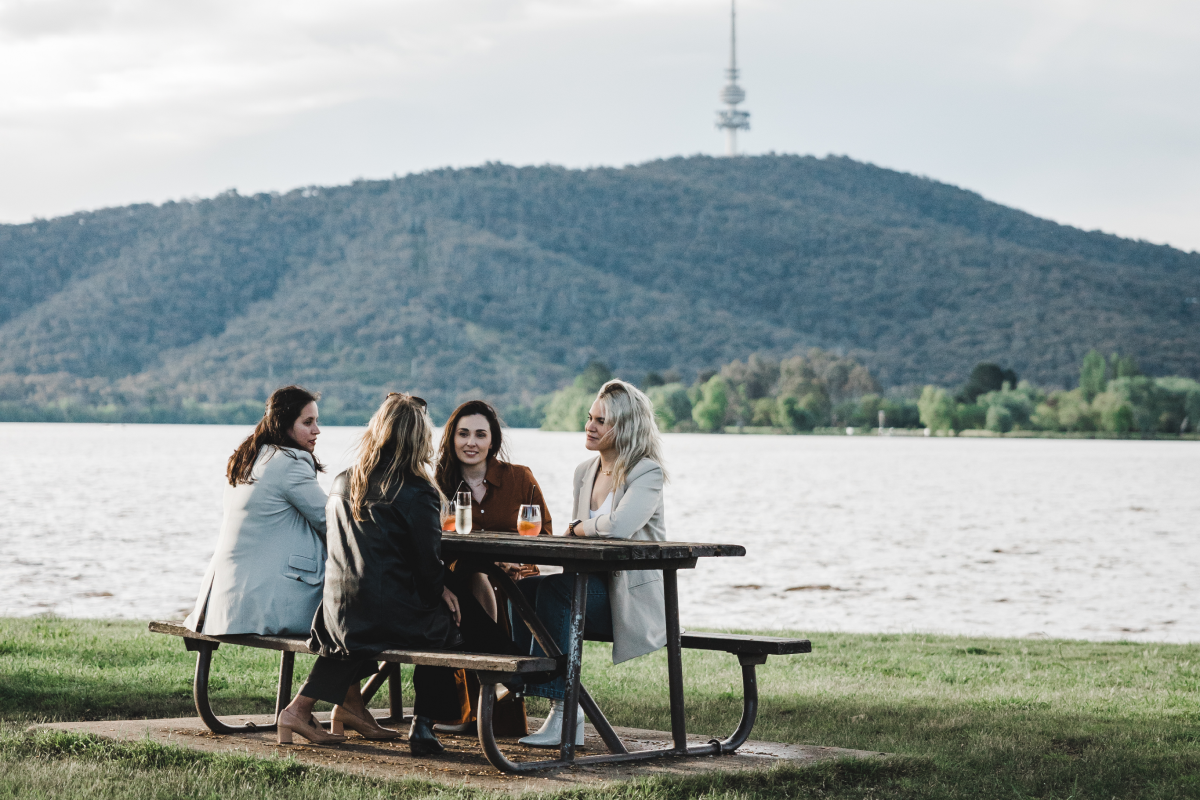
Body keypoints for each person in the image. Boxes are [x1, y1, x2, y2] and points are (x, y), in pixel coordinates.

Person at [275, 392, 517, 754]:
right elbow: (426, 562)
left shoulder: (344, 481)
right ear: (419, 437)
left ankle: (303, 710)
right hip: (387, 615)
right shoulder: (418, 490)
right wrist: (440, 588)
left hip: (337, 611)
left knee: (446, 608)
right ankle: (428, 722)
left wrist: (439, 587)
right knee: (450, 622)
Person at [515, 379, 669, 747]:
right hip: (587, 586)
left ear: (626, 427)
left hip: (626, 601)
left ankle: (564, 711)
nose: (591, 426)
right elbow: (579, 542)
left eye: (602, 421)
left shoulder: (646, 473)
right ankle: (516, 682)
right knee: (523, 589)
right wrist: (576, 533)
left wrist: (581, 526)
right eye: (590, 418)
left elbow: (619, 527)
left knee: (554, 592)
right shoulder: (584, 471)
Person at [433, 399, 554, 734]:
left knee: (477, 582)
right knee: (470, 578)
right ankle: (490, 690)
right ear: (451, 439)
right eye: (463, 434)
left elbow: (544, 532)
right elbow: (430, 545)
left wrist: (519, 560)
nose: (471, 442)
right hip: (460, 583)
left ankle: (480, 707)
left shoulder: (519, 478)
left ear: (493, 441)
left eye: (480, 435)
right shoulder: (438, 485)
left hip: (515, 583)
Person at [184, 385, 328, 636]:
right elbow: (332, 522)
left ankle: (348, 673)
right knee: (353, 611)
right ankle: (341, 674)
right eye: (308, 422)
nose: (317, 430)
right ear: (284, 424)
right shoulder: (289, 463)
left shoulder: (250, 457)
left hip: (223, 602)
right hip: (263, 604)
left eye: (316, 421)